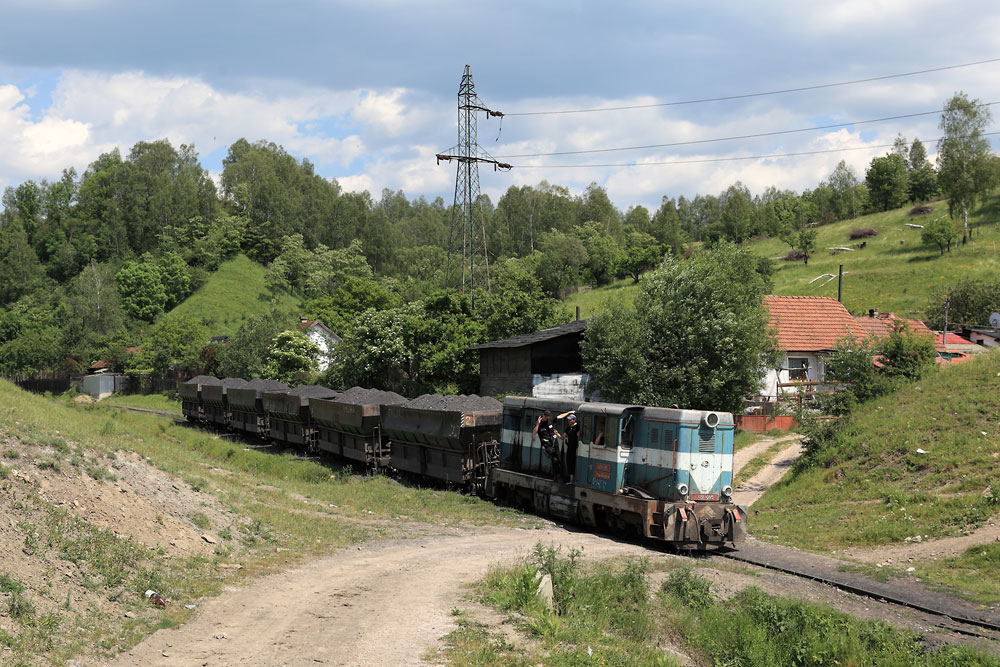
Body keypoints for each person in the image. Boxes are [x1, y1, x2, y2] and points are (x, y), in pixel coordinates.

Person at [533, 410, 561, 474]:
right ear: (543, 415)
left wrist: (569, 412)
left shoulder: (550, 420)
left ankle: (557, 473)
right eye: (546, 417)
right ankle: (556, 474)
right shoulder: (539, 424)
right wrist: (538, 424)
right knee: (554, 458)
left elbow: (560, 416)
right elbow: (534, 432)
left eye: (548, 417)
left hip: (554, 441)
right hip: (547, 444)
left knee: (558, 459)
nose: (547, 418)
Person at [563, 413, 579, 483]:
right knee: (569, 462)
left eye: (570, 420)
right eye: (568, 420)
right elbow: (562, 437)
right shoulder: (568, 428)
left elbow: (579, 436)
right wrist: (556, 434)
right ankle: (571, 479)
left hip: (575, 448)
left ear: (574, 420)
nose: (569, 421)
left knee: (573, 463)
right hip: (569, 447)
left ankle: (573, 480)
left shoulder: (577, 427)